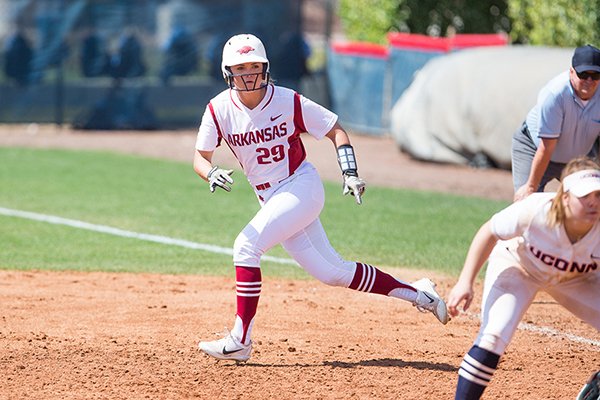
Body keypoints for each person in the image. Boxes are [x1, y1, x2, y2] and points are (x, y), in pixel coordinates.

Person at [194, 33, 449, 362]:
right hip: (271, 199)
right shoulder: (218, 109)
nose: (249, 74)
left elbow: (335, 129)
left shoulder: (287, 100)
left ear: (266, 67)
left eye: (255, 66)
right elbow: (200, 156)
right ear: (228, 72)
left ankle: (241, 339)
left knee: (246, 245)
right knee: (334, 273)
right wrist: (210, 172)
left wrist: (350, 172)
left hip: (301, 186)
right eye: (240, 67)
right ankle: (420, 293)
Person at [447, 156, 600, 400]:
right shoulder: (536, 210)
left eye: (599, 196)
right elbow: (490, 231)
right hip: (519, 267)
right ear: (565, 197)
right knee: (494, 336)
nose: (594, 203)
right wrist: (465, 281)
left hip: (576, 279)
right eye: (585, 196)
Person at [512, 44, 600, 202]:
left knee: (590, 202)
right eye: (583, 74)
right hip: (535, 148)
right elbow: (547, 147)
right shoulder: (555, 94)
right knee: (526, 204)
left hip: (578, 156)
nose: (589, 80)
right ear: (572, 71)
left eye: (595, 75)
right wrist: (531, 187)